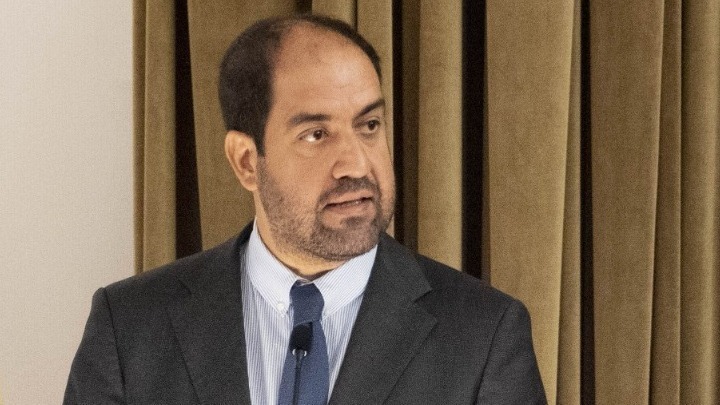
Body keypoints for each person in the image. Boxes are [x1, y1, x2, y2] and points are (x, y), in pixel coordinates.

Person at [64, 14, 546, 404]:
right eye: (317, 134)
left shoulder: (484, 335)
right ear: (246, 161)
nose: (356, 164)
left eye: (370, 125)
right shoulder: (128, 328)